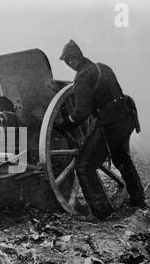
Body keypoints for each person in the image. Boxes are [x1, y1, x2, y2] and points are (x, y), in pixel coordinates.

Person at [58, 39, 145, 220]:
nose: (69, 65)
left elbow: (82, 113)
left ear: (73, 60)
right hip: (126, 116)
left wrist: (65, 124)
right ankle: (138, 200)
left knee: (84, 166)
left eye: (68, 61)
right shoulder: (102, 67)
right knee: (122, 158)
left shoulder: (82, 77)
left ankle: (102, 213)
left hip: (110, 123)